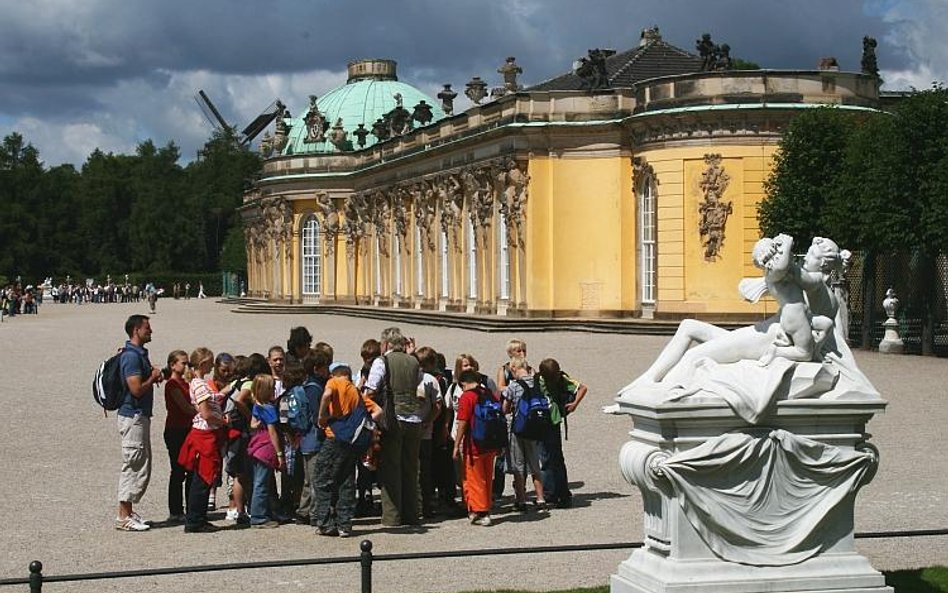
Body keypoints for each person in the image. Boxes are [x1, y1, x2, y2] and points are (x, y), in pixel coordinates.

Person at [363, 327, 426, 527]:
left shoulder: (383, 362)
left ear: (386, 344)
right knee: (410, 467)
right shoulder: (414, 361)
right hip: (414, 418)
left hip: (393, 418)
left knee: (391, 468)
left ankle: (392, 516)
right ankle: (412, 513)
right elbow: (418, 381)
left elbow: (371, 389)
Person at [315, 362, 382, 537]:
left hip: (334, 436)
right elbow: (378, 411)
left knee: (322, 479)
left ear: (334, 374)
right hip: (352, 441)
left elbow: (327, 394)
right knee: (346, 480)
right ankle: (345, 524)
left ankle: (325, 523)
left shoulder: (335, 382)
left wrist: (322, 417)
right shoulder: (355, 391)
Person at [115, 314, 163, 531]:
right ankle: (123, 515)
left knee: (140, 463)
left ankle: (128, 511)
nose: (150, 330)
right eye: (147, 327)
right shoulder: (132, 357)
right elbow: (135, 389)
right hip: (133, 416)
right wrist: (152, 378)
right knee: (133, 463)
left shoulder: (137, 354)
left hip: (138, 415)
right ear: (136, 330)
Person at [178, 348, 226, 533]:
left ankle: (199, 516)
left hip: (204, 434)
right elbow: (206, 413)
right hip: (205, 435)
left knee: (203, 477)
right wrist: (222, 420)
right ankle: (195, 519)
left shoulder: (198, 383)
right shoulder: (199, 384)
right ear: (203, 363)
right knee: (203, 478)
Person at [453, 369, 501, 526]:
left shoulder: (467, 397)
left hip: (474, 445)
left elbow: (462, 422)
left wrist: (456, 445)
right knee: (487, 478)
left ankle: (482, 512)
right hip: (491, 443)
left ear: (464, 383)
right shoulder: (487, 393)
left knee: (475, 479)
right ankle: (480, 507)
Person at [536, 358, 587, 508]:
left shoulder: (560, 379)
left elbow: (582, 388)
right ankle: (555, 493)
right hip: (544, 421)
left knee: (551, 459)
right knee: (551, 459)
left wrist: (575, 404)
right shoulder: (539, 378)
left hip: (552, 421)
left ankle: (557, 494)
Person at [501, 357, 548, 512]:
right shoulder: (538, 383)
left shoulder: (513, 386)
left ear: (514, 369)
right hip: (535, 428)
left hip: (518, 429)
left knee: (519, 465)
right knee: (535, 464)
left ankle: (521, 500)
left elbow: (505, 409)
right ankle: (540, 499)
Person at [296, 349, 331, 524]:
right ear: (317, 369)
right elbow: (319, 416)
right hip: (315, 439)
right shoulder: (315, 389)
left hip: (306, 439)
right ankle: (315, 514)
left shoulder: (307, 385)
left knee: (309, 479)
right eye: (325, 367)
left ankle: (304, 511)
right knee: (317, 478)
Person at [163, 350, 195, 524]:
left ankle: (191, 507)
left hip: (187, 429)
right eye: (183, 363)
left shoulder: (185, 382)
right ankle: (175, 510)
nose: (186, 366)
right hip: (176, 430)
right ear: (173, 365)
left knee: (191, 470)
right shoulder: (172, 384)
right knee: (178, 471)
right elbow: (185, 407)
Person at [248, 374, 283, 528]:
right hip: (266, 447)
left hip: (255, 445)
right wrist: (279, 453)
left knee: (259, 481)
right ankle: (258, 517)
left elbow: (252, 424)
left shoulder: (257, 405)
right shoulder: (269, 409)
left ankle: (262, 511)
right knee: (261, 484)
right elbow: (273, 432)